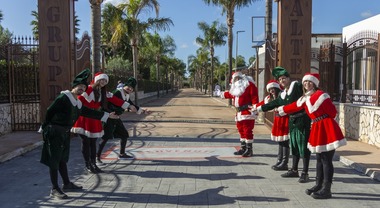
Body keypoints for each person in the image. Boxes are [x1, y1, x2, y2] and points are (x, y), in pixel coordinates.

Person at [39, 69, 118, 199]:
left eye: (83, 87)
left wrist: (107, 115)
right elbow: (49, 111)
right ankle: (54, 188)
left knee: (62, 159)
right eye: (79, 86)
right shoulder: (64, 97)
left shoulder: (78, 102)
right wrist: (45, 128)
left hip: (64, 134)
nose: (81, 89)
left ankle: (66, 183)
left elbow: (89, 112)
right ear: (74, 86)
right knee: (54, 160)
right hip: (54, 132)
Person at [277, 73, 347, 199]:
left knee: (326, 160)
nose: (307, 84)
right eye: (305, 82)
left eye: (309, 82)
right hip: (317, 127)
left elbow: (332, 112)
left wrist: (324, 122)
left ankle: (327, 188)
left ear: (315, 84)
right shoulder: (305, 98)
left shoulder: (322, 96)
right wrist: (280, 109)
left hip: (326, 128)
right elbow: (293, 107)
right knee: (319, 159)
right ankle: (318, 184)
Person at [254, 66, 311, 183]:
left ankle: (305, 172)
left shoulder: (296, 86)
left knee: (303, 147)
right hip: (292, 121)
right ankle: (294, 170)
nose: (282, 81)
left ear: (288, 78)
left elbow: (307, 93)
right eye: (280, 80)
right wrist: (259, 108)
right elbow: (273, 103)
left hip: (302, 121)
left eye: (284, 78)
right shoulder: (283, 94)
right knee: (294, 146)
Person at [71, 72, 131, 174]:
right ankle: (88, 164)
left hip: (94, 118)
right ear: (97, 79)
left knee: (93, 142)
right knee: (86, 142)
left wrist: (128, 106)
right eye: (102, 79)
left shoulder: (103, 92)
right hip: (84, 118)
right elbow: (79, 100)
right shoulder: (89, 89)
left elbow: (115, 100)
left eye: (105, 81)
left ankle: (93, 163)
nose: (103, 82)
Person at [96, 77, 150, 163]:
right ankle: (97, 156)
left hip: (116, 118)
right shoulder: (117, 92)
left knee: (124, 135)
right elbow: (106, 103)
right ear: (124, 85)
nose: (130, 89)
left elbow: (131, 105)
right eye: (129, 86)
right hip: (109, 118)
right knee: (105, 137)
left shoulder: (126, 95)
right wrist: (108, 114)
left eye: (132, 88)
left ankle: (122, 154)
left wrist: (142, 111)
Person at [252, 80, 290, 170]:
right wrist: (255, 107)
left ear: (277, 88)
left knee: (284, 142)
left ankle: (284, 162)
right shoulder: (271, 97)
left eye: (273, 89)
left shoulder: (281, 95)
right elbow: (264, 103)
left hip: (284, 119)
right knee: (280, 141)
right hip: (278, 119)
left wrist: (258, 108)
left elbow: (271, 105)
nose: (271, 91)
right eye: (270, 89)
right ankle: (280, 160)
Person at [221, 70, 259, 157]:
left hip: (247, 112)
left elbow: (254, 97)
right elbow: (231, 94)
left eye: (238, 78)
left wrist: (255, 108)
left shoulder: (249, 85)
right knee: (241, 130)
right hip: (239, 113)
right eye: (235, 79)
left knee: (247, 131)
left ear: (241, 78)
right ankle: (243, 148)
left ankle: (249, 150)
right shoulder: (237, 89)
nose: (237, 80)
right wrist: (222, 94)